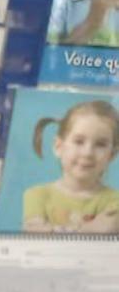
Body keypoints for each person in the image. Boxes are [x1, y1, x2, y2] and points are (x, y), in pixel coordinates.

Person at [22, 99, 119, 232]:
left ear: (112, 155)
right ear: (58, 146)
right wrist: (89, 229)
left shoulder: (115, 201)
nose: (88, 153)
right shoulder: (37, 195)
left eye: (100, 144)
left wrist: (52, 230)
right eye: (79, 141)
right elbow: (35, 237)